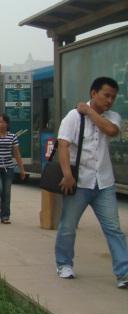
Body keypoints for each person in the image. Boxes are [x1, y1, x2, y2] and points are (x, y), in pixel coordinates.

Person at [54, 77, 128, 289]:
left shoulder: (112, 117)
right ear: (93, 93)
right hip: (79, 182)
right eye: (106, 95)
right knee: (68, 226)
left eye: (113, 97)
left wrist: (88, 111)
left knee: (113, 229)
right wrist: (67, 175)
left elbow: (111, 131)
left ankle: (124, 273)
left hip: (104, 182)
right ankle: (64, 264)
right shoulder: (73, 117)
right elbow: (63, 145)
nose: (110, 100)